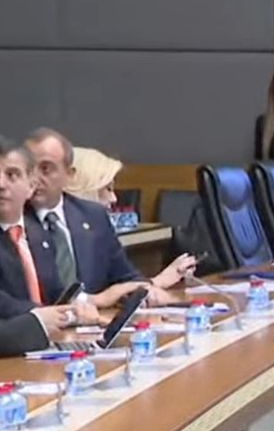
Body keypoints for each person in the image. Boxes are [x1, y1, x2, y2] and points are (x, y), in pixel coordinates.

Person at [24, 129, 195, 306]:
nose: (35, 178)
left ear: (69, 174)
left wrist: (150, 292)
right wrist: (98, 300)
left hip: (96, 321)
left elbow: (125, 277)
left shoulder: (92, 215)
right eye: (28, 169)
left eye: (45, 169)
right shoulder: (14, 222)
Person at [0, 136, 96, 325]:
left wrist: (78, 307)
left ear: (31, 186)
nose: (1, 185)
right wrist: (48, 315)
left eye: (12, 175)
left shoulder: (38, 233)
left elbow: (56, 292)